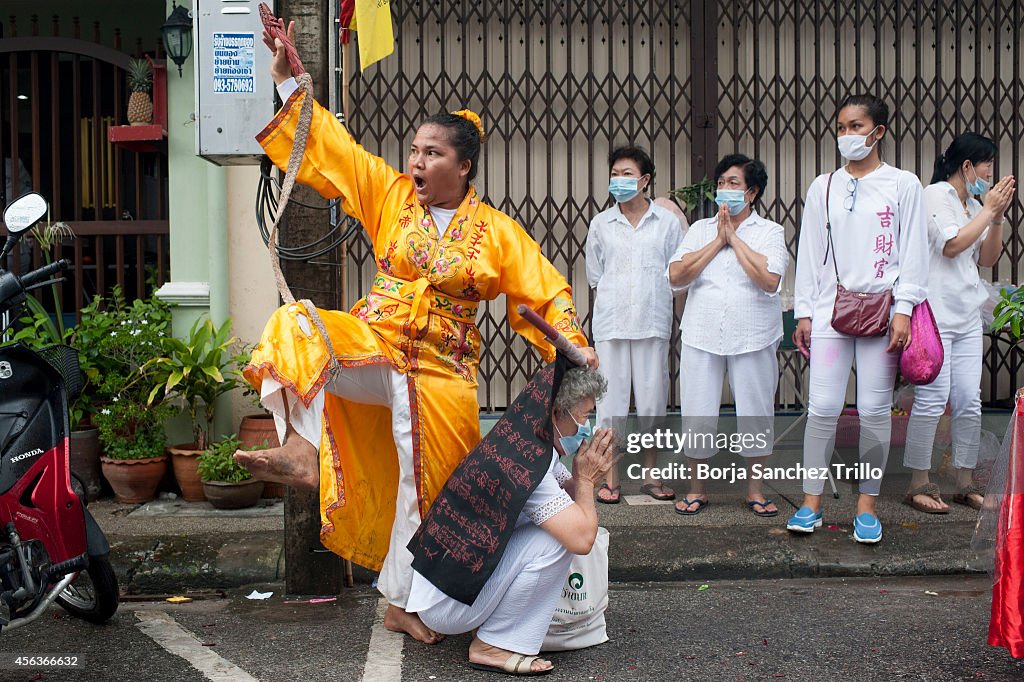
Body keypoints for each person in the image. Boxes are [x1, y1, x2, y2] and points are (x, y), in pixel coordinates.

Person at [234, 18, 597, 645]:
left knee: (425, 489)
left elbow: (545, 291)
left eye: (432, 153)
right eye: (414, 150)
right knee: (297, 324)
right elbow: (338, 152)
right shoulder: (391, 195)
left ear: (464, 166)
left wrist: (571, 343)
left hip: (445, 372)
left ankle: (409, 603)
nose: (417, 161)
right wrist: (293, 77)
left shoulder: (498, 232)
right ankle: (299, 444)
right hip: (377, 342)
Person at [406, 366, 613, 675]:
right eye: (584, 416)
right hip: (446, 604)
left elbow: (567, 498)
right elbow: (581, 538)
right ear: (558, 412)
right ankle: (493, 645)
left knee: (556, 526)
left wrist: (584, 476)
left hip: (440, 590)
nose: (587, 426)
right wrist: (586, 482)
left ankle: (493, 628)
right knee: (556, 541)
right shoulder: (532, 465)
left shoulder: (522, 438)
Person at [788, 94, 929, 543]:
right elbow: (809, 253)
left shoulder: (903, 185)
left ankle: (867, 507)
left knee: (872, 411)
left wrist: (904, 309)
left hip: (883, 315)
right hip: (831, 312)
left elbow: (914, 253)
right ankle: (811, 503)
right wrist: (805, 311)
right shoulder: (823, 186)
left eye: (856, 126)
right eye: (842, 127)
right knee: (823, 408)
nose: (847, 135)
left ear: (879, 132)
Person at [667, 154, 789, 517]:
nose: (725, 190)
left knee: (755, 411)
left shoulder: (770, 232)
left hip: (753, 335)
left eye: (733, 184)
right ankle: (697, 490)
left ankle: (755, 491)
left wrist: (734, 239)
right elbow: (675, 276)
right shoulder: (700, 229)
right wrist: (717, 241)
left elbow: (770, 280)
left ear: (751, 193)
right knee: (697, 411)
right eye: (721, 183)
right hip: (701, 333)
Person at [903, 134, 1016, 513]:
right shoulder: (935, 195)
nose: (990, 173)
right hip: (935, 315)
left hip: (967, 315)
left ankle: (964, 482)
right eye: (986, 165)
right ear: (967, 166)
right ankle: (920, 481)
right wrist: (988, 211)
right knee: (933, 399)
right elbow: (950, 245)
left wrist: (995, 215)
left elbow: (986, 257)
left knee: (969, 399)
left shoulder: (971, 204)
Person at [586, 146, 684, 504]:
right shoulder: (601, 224)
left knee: (652, 401)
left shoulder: (667, 223)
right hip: (612, 323)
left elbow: (677, 273)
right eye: (615, 174)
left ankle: (650, 474)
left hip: (652, 321)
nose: (620, 181)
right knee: (609, 403)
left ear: (644, 180)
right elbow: (595, 275)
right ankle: (609, 478)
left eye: (628, 174)